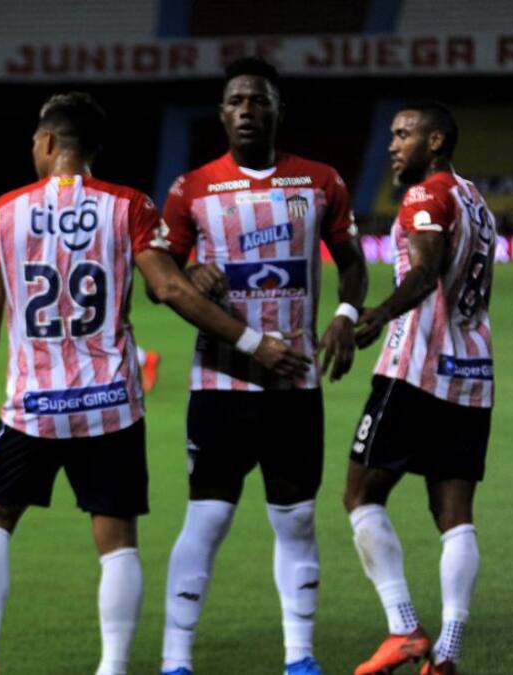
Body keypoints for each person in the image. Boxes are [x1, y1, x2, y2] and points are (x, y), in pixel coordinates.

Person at [0, 91, 310, 675]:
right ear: (92, 149)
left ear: (47, 143)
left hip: (32, 405)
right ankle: (113, 667)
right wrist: (251, 343)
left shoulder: (4, 212)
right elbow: (171, 289)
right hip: (111, 404)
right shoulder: (130, 207)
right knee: (116, 538)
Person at [153, 57, 368, 675]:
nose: (247, 110)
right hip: (221, 382)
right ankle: (175, 660)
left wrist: (348, 314)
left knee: (297, 519)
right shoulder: (191, 188)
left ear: (278, 110)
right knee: (209, 517)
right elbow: (159, 280)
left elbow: (351, 260)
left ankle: (299, 657)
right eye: (236, 101)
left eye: (259, 100)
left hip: (295, 382)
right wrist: (191, 270)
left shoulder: (319, 181)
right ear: (221, 114)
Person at [343, 102, 495, 675]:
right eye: (390, 135)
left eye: (404, 135)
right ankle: (447, 655)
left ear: (435, 141)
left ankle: (404, 627)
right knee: (454, 516)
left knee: (360, 495)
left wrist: (379, 313)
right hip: (473, 375)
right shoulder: (477, 201)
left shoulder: (424, 196)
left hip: (417, 369)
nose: (392, 145)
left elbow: (426, 272)